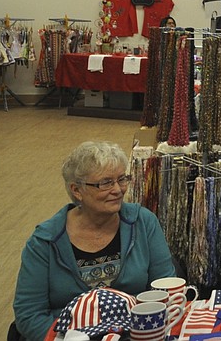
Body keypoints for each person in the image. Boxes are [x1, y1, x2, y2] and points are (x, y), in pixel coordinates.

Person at [14, 142, 175, 341]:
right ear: (77, 190)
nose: (118, 190)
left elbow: (166, 289)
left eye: (121, 179)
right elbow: (29, 314)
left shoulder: (143, 222)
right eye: (105, 183)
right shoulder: (45, 241)